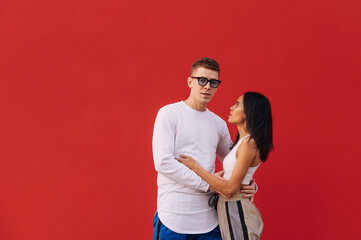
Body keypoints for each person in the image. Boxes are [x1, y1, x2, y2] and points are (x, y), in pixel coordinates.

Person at [152, 57, 257, 240]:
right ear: (190, 81)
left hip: (210, 222)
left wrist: (248, 183)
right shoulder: (169, 114)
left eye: (213, 82)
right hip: (173, 218)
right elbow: (163, 163)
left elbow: (237, 161)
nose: (207, 86)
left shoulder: (217, 124)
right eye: (202, 80)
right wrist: (209, 184)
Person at [178, 92, 273, 240]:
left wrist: (195, 166)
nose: (231, 108)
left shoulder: (250, 144)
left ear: (250, 111)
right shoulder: (242, 143)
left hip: (237, 209)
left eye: (237, 104)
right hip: (229, 209)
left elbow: (229, 190)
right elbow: (236, 180)